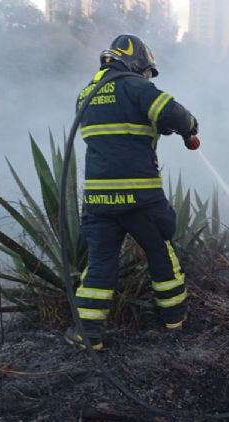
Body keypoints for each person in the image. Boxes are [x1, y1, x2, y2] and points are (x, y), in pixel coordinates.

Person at [64, 34, 199, 351]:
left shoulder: (86, 94)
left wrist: (157, 126)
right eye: (147, 71)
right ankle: (174, 319)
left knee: (99, 264)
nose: (147, 77)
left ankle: (88, 334)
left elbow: (121, 125)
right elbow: (174, 114)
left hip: (98, 202)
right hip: (139, 198)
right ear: (138, 62)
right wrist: (190, 128)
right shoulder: (136, 86)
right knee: (161, 255)